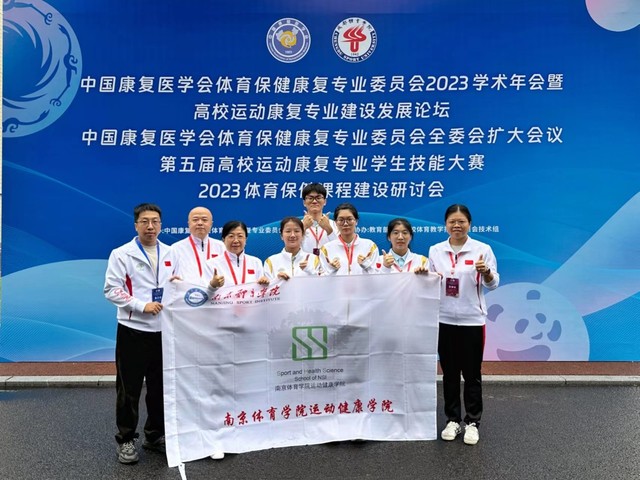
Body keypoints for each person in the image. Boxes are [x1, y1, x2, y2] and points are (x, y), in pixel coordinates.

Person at [104, 203, 173, 464]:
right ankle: (126, 439)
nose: (150, 226)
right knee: (129, 389)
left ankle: (154, 435)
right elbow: (111, 289)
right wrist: (141, 305)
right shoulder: (122, 254)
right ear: (136, 225)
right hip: (133, 330)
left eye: (155, 221)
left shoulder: (171, 253)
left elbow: (177, 285)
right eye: (145, 221)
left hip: (163, 331)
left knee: (159, 388)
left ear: (161, 225)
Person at [428, 204, 499, 446]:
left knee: (471, 374)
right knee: (449, 373)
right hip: (444, 319)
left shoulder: (482, 249)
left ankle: (472, 422)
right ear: (445, 224)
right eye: (452, 222)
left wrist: (486, 271)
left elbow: (493, 284)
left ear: (469, 224)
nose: (456, 225)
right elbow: (428, 282)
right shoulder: (436, 250)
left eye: (461, 222)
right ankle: (452, 420)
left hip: (472, 320)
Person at [206, 221, 269, 291]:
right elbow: (204, 294)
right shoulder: (211, 264)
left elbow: (261, 291)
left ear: (246, 239)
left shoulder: (256, 262)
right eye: (231, 236)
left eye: (240, 236)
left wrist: (264, 283)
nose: (236, 240)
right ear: (223, 239)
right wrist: (212, 286)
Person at [320, 203, 379, 275]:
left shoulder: (370, 246)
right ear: (335, 223)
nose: (345, 223)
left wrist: (367, 266)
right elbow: (321, 278)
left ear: (356, 221)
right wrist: (331, 269)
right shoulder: (326, 249)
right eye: (341, 220)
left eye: (349, 219)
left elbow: (378, 276)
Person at [170, 206, 225, 284]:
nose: (200, 223)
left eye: (204, 220)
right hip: (187, 291)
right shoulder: (176, 248)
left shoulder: (221, 247)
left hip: (215, 290)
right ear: (189, 224)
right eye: (195, 220)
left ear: (211, 224)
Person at [264, 216, 320, 280]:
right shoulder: (271, 261)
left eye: (296, 231)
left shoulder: (314, 259)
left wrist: (309, 270)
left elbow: (321, 282)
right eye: (288, 231)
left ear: (302, 235)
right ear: (281, 236)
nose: (292, 235)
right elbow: (268, 285)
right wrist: (277, 280)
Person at [301, 183, 338, 256]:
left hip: (330, 262)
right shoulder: (297, 225)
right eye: (310, 198)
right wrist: (303, 228)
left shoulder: (335, 225)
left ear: (325, 201)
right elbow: (292, 249)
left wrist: (329, 230)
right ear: (304, 202)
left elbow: (341, 248)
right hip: (305, 263)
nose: (314, 201)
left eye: (318, 198)